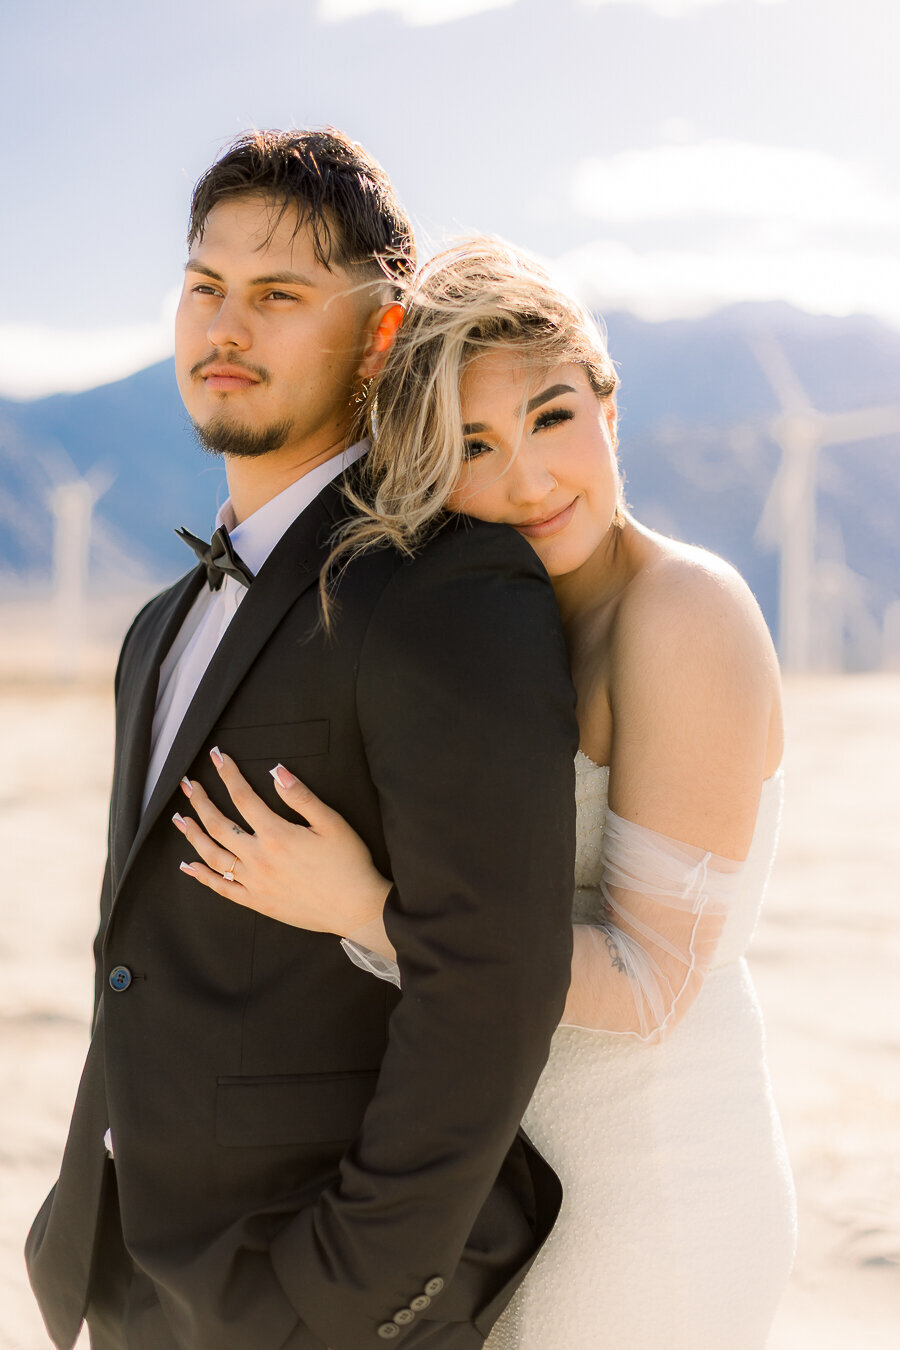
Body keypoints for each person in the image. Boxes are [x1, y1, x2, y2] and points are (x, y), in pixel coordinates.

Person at [177, 238, 798, 1349]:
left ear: (611, 408)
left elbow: (655, 984)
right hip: (508, 1198)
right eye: (472, 445)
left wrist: (365, 909)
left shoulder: (681, 615)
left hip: (648, 1196)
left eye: (552, 417)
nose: (528, 480)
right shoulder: (509, 627)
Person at [25, 139, 581, 1350]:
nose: (228, 325)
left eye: (279, 296)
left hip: (310, 1296)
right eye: (205, 285)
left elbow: (493, 982)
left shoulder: (442, 587)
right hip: (134, 1274)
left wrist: (346, 1295)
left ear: (382, 337)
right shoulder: (157, 627)